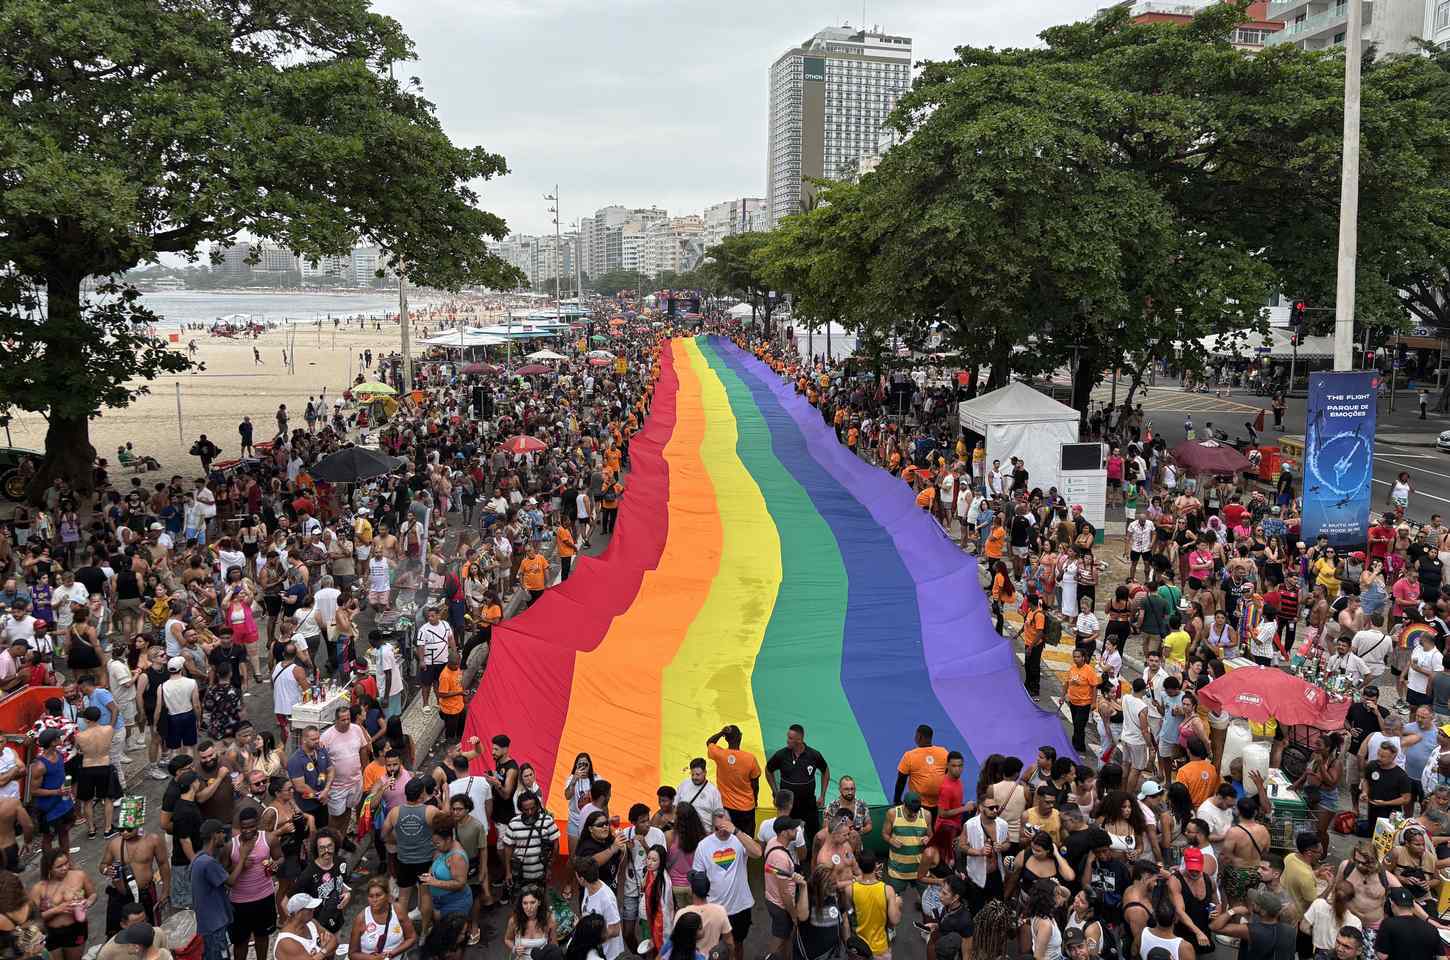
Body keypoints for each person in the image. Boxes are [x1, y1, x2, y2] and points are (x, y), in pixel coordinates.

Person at [691, 811, 761, 960]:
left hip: (740, 906)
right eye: (717, 828)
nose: (722, 831)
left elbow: (757, 853)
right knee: (714, 948)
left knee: (738, 944)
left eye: (725, 827)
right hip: (714, 908)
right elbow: (697, 878)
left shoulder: (740, 839)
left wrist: (736, 831)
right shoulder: (704, 846)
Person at [766, 723, 829, 848]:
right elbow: (768, 770)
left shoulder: (814, 755)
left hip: (809, 805)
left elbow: (825, 771)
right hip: (789, 806)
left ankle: (813, 862)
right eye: (788, 737)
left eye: (790, 738)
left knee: (814, 837)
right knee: (787, 836)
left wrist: (822, 795)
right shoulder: (781, 755)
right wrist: (775, 790)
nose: (787, 740)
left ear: (799, 740)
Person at [31, 849, 97, 960]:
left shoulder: (79, 875)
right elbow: (33, 919)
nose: (65, 868)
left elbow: (93, 894)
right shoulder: (39, 888)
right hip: (50, 933)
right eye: (59, 866)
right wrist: (57, 910)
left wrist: (88, 902)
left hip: (75, 929)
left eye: (66, 863)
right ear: (49, 868)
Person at [705, 725, 761, 834]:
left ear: (726, 739)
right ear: (740, 737)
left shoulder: (719, 754)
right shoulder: (750, 758)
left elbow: (709, 742)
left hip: (726, 807)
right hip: (746, 808)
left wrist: (721, 733)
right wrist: (755, 800)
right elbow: (755, 784)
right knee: (746, 839)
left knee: (727, 840)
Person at [851, 850, 901, 960]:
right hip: (881, 947)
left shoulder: (850, 889)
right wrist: (897, 903)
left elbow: (849, 913)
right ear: (876, 866)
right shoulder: (887, 890)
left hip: (860, 947)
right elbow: (895, 920)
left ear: (859, 867)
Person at [350, 878, 417, 960]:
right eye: (371, 896)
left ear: (387, 895)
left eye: (378, 895)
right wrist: (373, 959)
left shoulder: (398, 910)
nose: (374, 900)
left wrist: (392, 953)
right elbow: (353, 954)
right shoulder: (361, 919)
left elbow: (411, 938)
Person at [1373, 886, 1444, 960]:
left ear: (1391, 903)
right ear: (1413, 905)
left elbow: (1382, 956)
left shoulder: (1388, 924)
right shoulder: (1431, 928)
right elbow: (1442, 957)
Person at [274, 892, 340, 960]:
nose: (313, 910)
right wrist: (324, 952)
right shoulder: (287, 942)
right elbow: (331, 947)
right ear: (297, 913)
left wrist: (321, 953)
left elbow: (334, 940)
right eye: (310, 909)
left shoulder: (311, 923)